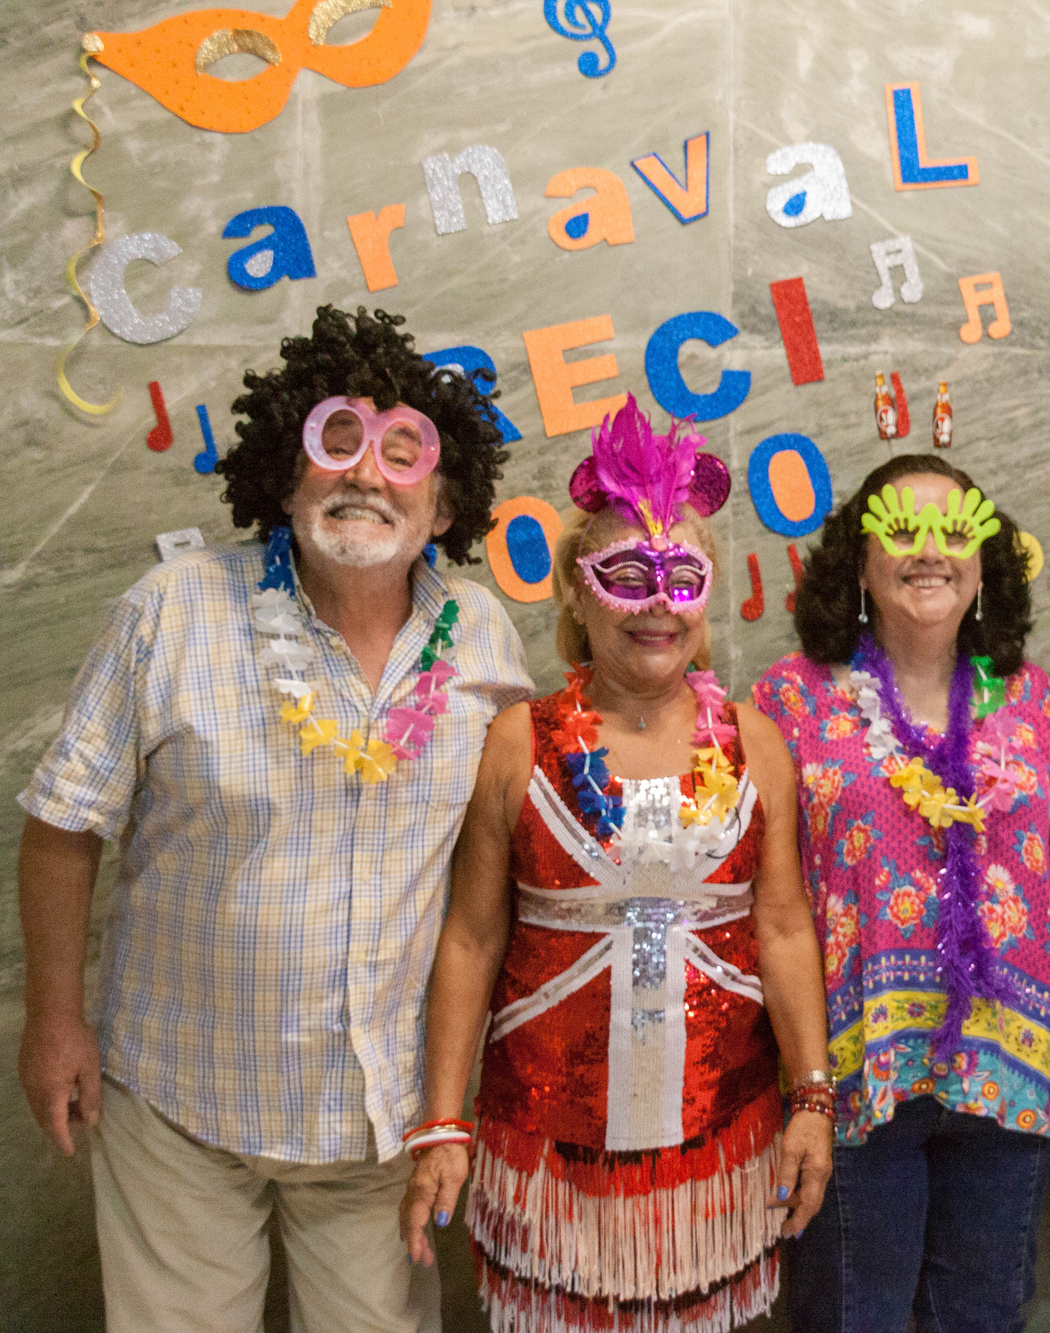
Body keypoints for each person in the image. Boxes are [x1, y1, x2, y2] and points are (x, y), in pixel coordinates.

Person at [15, 305, 534, 1332]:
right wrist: (56, 1019)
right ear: (283, 471)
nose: (364, 474)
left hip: (375, 1117)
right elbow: (61, 827)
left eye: (400, 453)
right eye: (334, 440)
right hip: (178, 1099)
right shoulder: (172, 608)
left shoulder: (478, 635)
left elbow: (503, 864)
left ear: (442, 506)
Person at [396, 397, 834, 1331]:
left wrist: (813, 1099)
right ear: (575, 591)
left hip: (717, 1143)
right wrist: (442, 1119)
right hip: (553, 1153)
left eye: (680, 577)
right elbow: (472, 938)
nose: (654, 605)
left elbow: (785, 924)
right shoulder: (518, 741)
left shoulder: (757, 743)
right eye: (625, 573)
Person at [753, 455, 1050, 1332]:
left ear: (984, 559)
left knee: (982, 1319)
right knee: (850, 1318)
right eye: (902, 530)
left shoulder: (1037, 701)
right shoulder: (790, 700)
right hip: (858, 1076)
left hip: (1009, 1073)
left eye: (953, 532)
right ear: (859, 561)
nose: (929, 551)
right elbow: (767, 896)